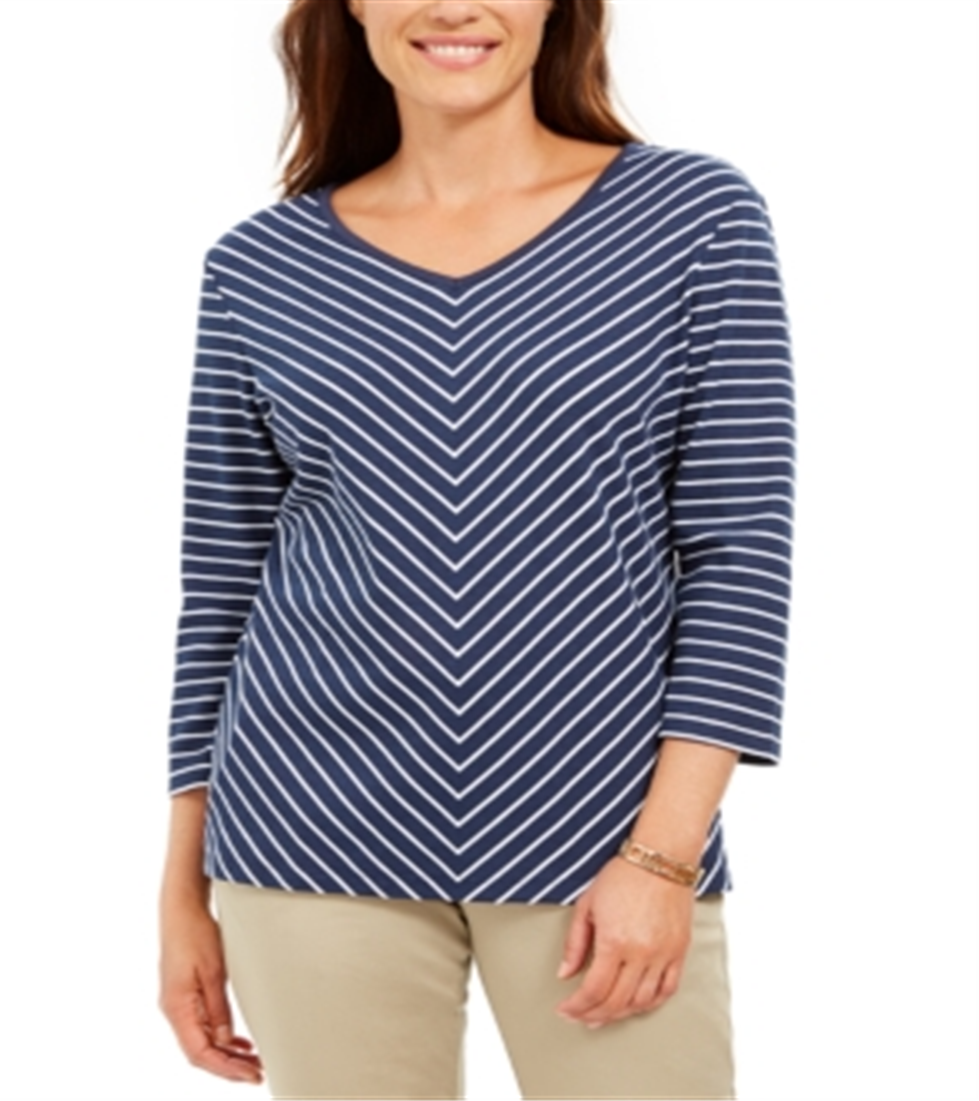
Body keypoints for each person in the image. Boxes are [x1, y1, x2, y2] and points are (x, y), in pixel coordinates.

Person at [158, 1, 795, 1097]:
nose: (455, 6)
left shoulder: (692, 218)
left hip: (601, 822)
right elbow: (221, 586)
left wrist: (663, 854)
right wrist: (182, 893)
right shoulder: (259, 267)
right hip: (306, 828)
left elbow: (739, 553)